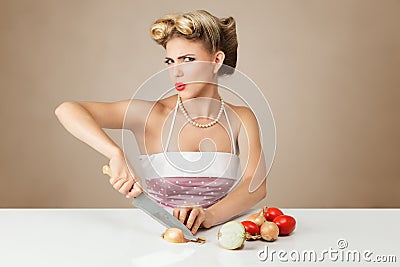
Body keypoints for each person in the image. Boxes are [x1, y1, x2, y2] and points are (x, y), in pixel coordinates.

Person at [55, 10, 267, 234]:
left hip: (221, 236)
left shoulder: (241, 118)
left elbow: (256, 185)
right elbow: (67, 110)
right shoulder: (150, 115)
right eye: (170, 61)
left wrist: (210, 215)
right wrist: (114, 153)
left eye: (187, 60)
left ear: (216, 61)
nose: (176, 72)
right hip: (156, 237)